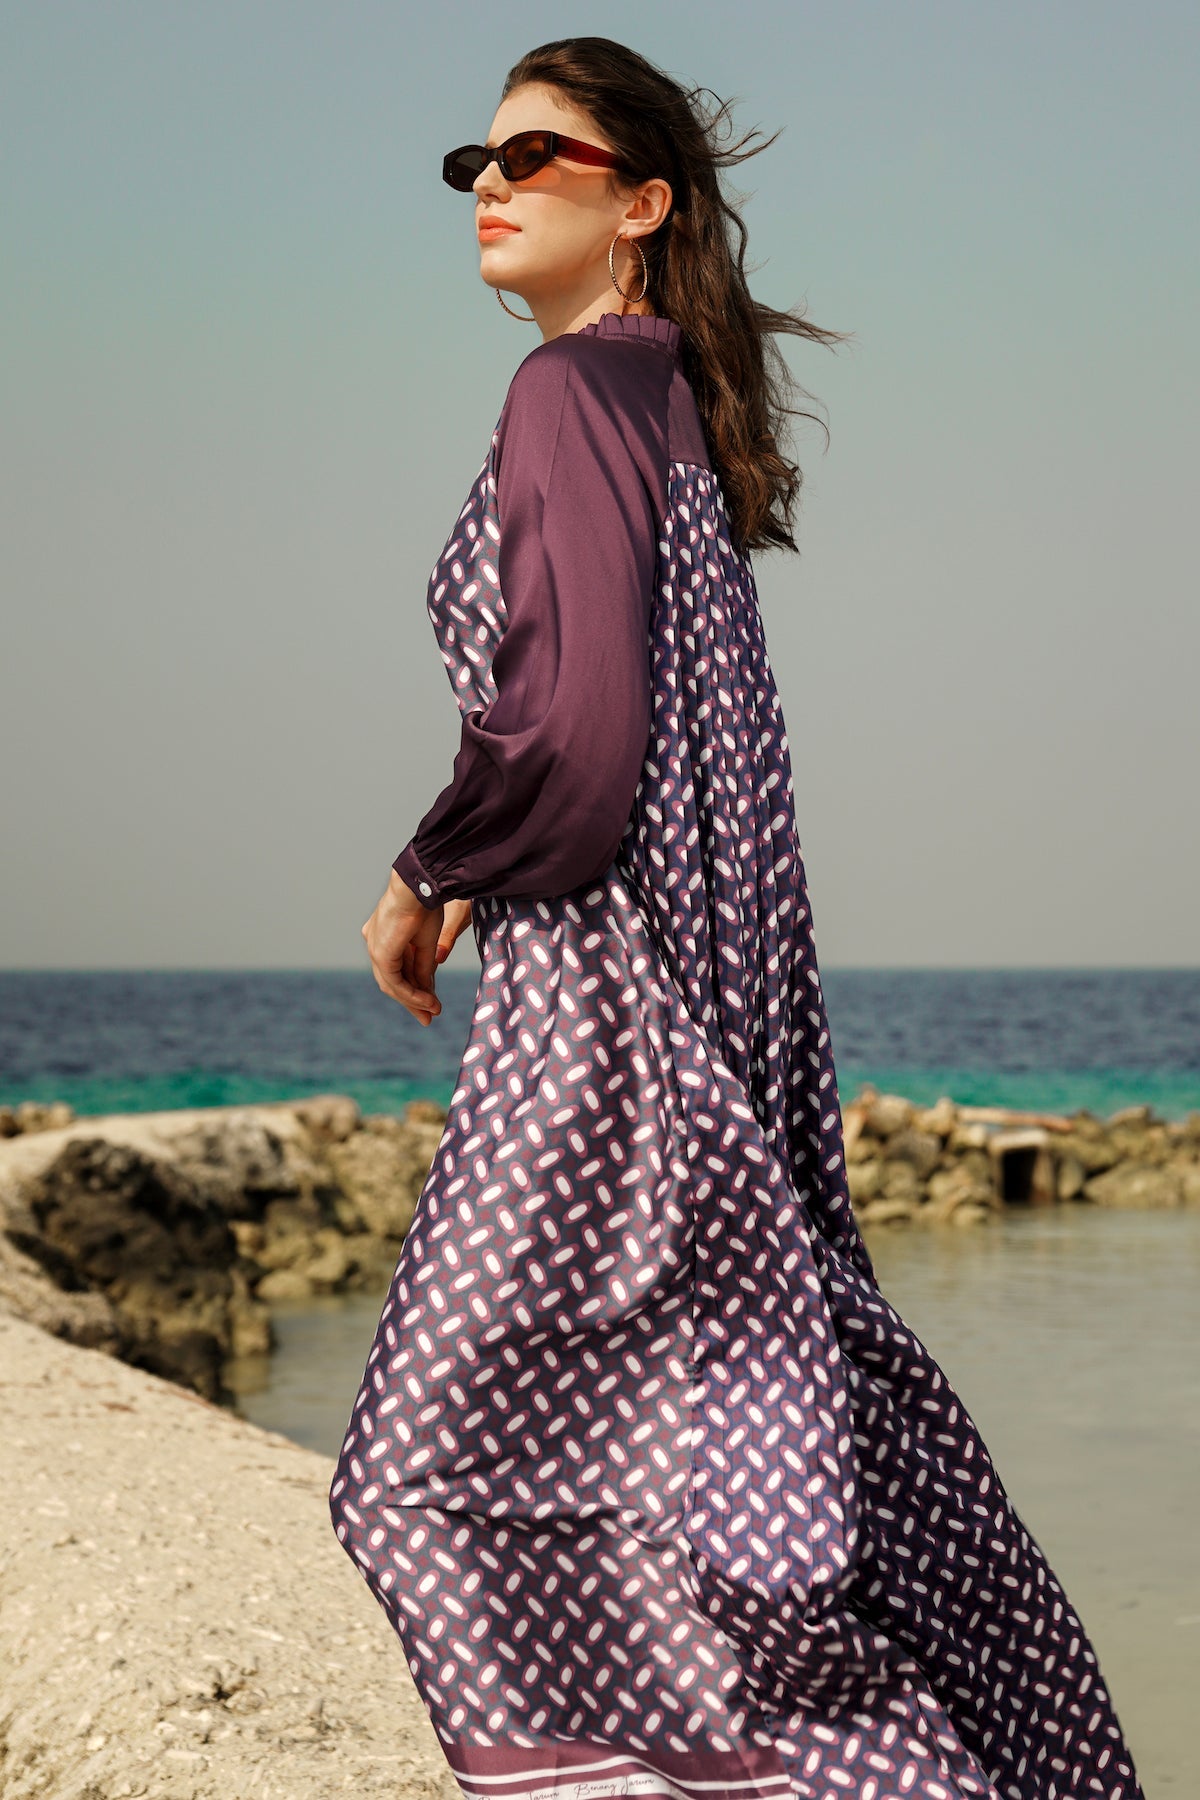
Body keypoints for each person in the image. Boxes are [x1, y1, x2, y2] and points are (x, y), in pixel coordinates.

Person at [329, 35, 1146, 1800]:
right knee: (712, 1487)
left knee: (431, 1480)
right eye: (470, 159)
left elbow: (571, 736)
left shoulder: (569, 400)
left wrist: (429, 871)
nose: (489, 183)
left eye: (535, 153)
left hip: (600, 1036)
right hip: (699, 1028)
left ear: (640, 204)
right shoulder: (660, 412)